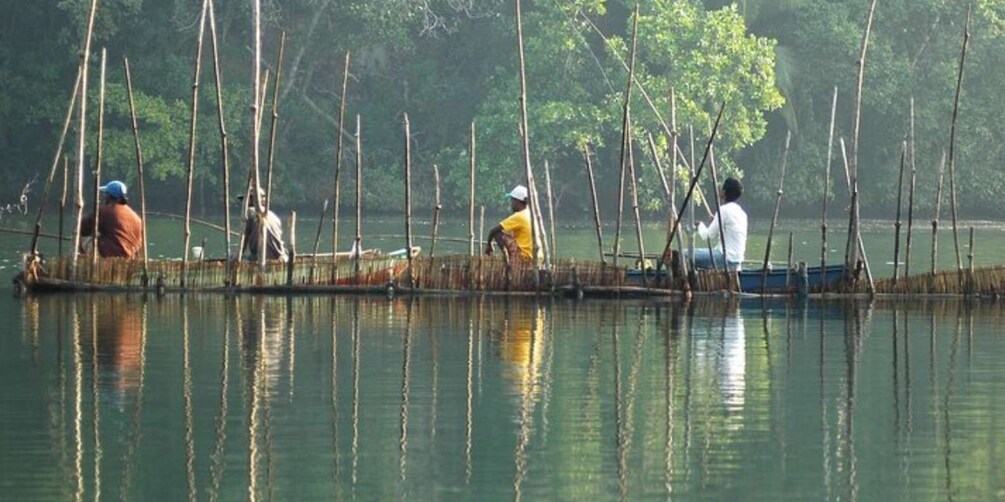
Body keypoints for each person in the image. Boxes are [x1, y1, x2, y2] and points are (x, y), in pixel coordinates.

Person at [690, 177, 747, 271]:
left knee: (684, 255)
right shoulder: (742, 213)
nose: (720, 190)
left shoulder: (724, 210)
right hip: (737, 260)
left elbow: (707, 235)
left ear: (724, 192)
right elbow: (728, 229)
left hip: (725, 258)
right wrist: (715, 221)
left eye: (722, 188)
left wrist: (699, 225)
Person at [80, 180, 144, 259]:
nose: (104, 197)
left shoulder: (105, 211)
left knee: (82, 237)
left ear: (108, 197)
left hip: (110, 255)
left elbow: (83, 228)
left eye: (105, 194)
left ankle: (85, 262)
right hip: (130, 257)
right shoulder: (136, 218)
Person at [484, 184, 533, 262]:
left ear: (517, 201)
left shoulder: (519, 216)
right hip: (533, 256)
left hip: (523, 255)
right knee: (509, 234)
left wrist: (489, 245)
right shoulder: (530, 214)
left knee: (497, 233)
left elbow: (493, 230)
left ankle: (508, 260)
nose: (511, 204)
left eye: (512, 200)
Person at [241, 188, 289, 262]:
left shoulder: (250, 212)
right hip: (280, 257)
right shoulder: (274, 216)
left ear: (251, 200)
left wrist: (237, 255)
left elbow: (243, 240)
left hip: (261, 258)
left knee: (237, 257)